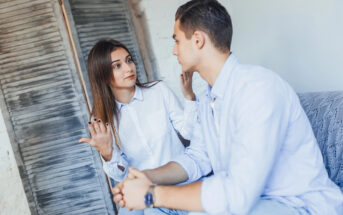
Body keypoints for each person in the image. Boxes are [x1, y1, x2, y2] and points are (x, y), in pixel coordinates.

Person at [112, 0, 343, 214]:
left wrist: (152, 195)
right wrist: (145, 176)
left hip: (299, 205)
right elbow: (196, 158)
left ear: (198, 40)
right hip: (256, 203)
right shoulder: (207, 100)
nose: (174, 50)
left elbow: (238, 194)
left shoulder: (256, 88)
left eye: (177, 40)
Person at [78, 39, 197, 215]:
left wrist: (189, 97)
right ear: (103, 75)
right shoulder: (102, 119)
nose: (128, 68)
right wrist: (107, 153)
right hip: (146, 193)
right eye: (117, 66)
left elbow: (188, 132)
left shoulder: (159, 91)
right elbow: (120, 174)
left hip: (180, 181)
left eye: (129, 60)